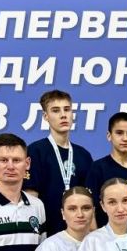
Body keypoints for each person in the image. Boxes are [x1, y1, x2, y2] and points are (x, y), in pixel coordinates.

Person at [24, 90, 94, 233]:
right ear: (46, 116)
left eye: (67, 109)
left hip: (79, 234)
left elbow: (90, 200)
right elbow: (31, 199)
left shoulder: (83, 155)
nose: (63, 115)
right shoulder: (36, 151)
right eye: (56, 111)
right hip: (45, 233)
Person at [85, 112, 127, 230]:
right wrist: (96, 238)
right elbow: (90, 209)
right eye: (119, 133)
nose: (125, 138)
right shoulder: (98, 168)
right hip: (105, 239)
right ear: (109, 136)